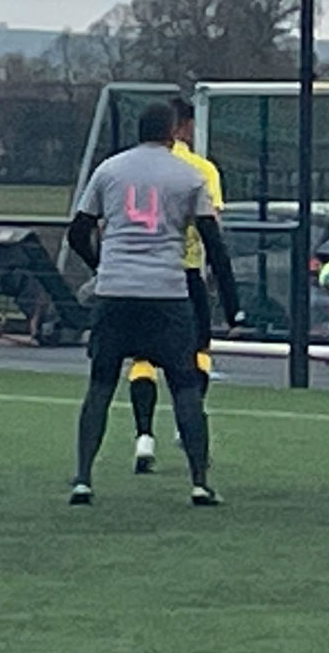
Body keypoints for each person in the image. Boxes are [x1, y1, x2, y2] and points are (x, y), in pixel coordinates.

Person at [68, 99, 240, 507]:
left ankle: (83, 479)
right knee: (184, 386)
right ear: (173, 131)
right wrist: (232, 303)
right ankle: (199, 482)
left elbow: (78, 232)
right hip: (167, 292)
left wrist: (102, 266)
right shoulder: (190, 175)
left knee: (100, 385)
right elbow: (213, 244)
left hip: (115, 292)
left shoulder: (109, 170)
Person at [116, 97, 235, 476]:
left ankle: (143, 437)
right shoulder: (200, 169)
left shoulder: (129, 168)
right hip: (185, 273)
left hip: (140, 275)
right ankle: (188, 426)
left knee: (142, 358)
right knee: (196, 352)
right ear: (182, 127)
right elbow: (212, 224)